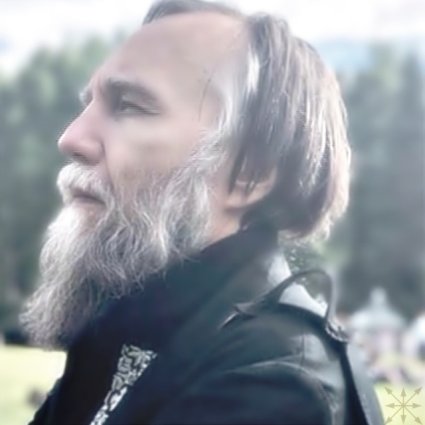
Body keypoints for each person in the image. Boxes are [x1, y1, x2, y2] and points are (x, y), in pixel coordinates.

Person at [22, 1, 384, 424]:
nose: (72, 138)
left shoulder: (274, 385)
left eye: (130, 105)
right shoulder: (126, 323)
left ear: (250, 172)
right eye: (90, 104)